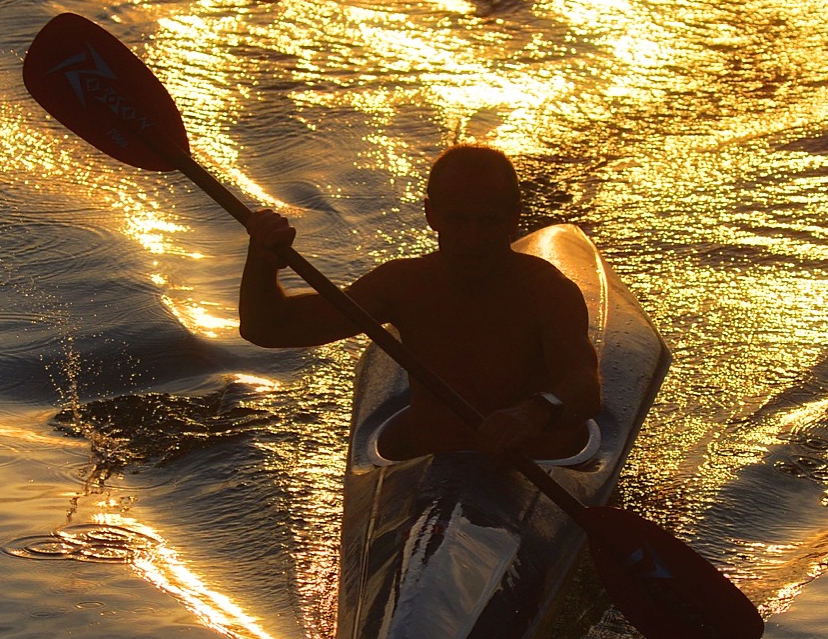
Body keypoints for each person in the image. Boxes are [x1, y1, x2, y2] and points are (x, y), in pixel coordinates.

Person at [237, 145, 602, 461]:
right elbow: (270, 329)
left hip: (535, 466)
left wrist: (534, 412)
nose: (471, 239)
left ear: (514, 218)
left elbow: (584, 387)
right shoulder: (403, 285)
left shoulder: (547, 292)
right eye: (457, 220)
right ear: (431, 215)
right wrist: (261, 261)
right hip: (433, 470)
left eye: (487, 222)